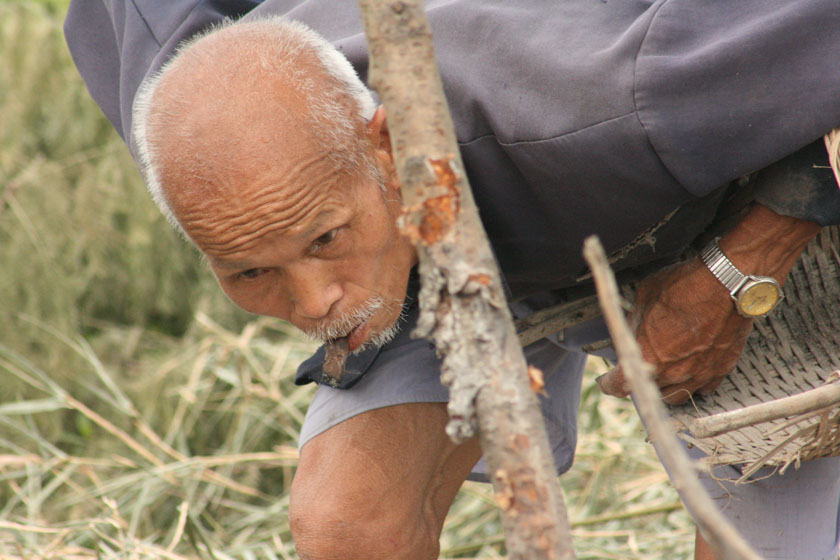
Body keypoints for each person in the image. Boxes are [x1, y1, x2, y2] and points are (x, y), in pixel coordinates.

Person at [64, 1, 840, 558]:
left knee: (750, 535)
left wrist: (741, 269)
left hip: (663, 192)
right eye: (251, 272)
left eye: (322, 240)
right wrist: (312, 242)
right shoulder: (171, 97)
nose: (312, 305)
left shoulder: (640, 97)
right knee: (347, 526)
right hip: (412, 236)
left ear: (389, 146)